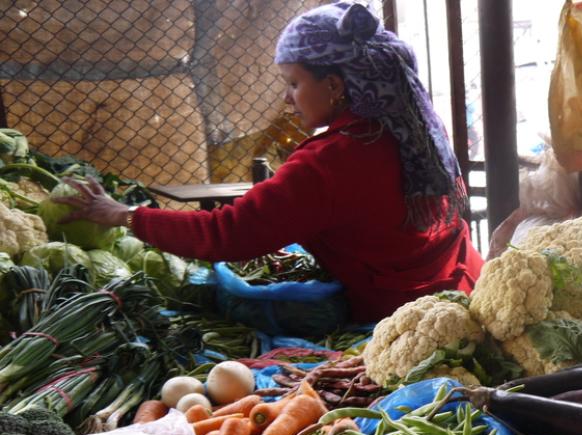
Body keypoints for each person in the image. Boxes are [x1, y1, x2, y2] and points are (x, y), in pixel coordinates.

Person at [56, 0, 484, 322]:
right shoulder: (410, 125)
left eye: (294, 83)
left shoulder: (330, 161)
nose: (286, 98)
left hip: (402, 313)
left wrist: (123, 215)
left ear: (334, 85)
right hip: (463, 277)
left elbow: (227, 234)